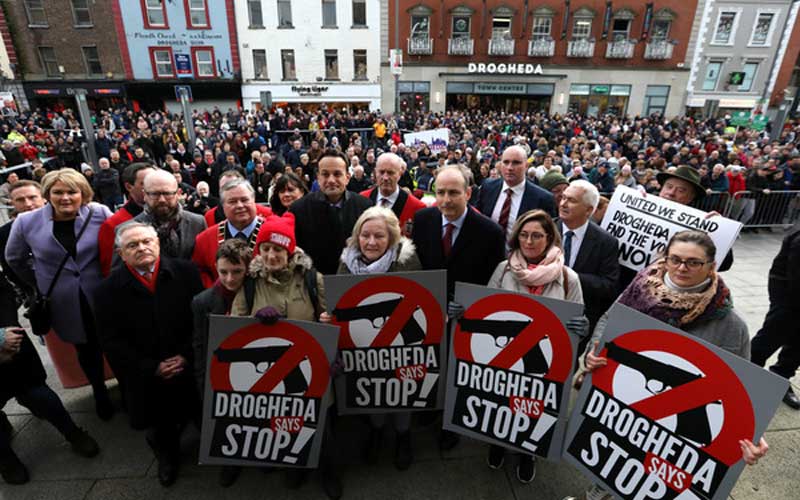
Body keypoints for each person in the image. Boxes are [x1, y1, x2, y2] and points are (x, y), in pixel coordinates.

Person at [564, 231, 768, 500]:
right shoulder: (640, 289)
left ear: (712, 266)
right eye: (675, 259)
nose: (682, 267)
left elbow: (740, 386)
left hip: (673, 432)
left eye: (693, 262)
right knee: (611, 465)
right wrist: (594, 352)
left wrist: (749, 434)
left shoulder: (730, 325)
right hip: (626, 408)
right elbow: (607, 321)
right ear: (666, 259)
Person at [230, 214, 341, 499]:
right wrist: (254, 323)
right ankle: (293, 466)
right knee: (281, 424)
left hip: (311, 368)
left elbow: (331, 321)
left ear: (289, 250)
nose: (271, 255)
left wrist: (333, 351)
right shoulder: (251, 282)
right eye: (265, 249)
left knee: (321, 427)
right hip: (270, 375)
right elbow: (234, 326)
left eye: (278, 249)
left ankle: (329, 471)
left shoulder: (312, 279)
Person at [94, 222, 203, 487]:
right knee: (159, 423)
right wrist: (151, 366)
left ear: (157, 243)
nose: (142, 248)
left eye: (146, 241)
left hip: (187, 362)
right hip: (146, 373)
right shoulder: (106, 291)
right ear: (121, 253)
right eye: (133, 245)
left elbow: (201, 322)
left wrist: (186, 355)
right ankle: (166, 456)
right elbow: (111, 341)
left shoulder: (187, 272)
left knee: (199, 410)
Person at [485, 209, 586, 484]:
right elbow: (485, 310)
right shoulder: (503, 270)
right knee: (501, 402)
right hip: (505, 357)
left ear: (550, 239)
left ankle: (527, 450)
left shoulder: (568, 278)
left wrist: (581, 327)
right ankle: (496, 439)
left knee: (533, 406)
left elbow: (577, 315)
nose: (529, 242)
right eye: (525, 235)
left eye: (537, 236)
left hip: (545, 358)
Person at [5, 169, 114, 420]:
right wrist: (39, 282)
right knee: (85, 349)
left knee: (113, 341)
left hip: (101, 295)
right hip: (64, 301)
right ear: (47, 194)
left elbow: (114, 246)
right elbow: (14, 259)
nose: (65, 197)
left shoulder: (98, 213)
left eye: (72, 192)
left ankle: (127, 388)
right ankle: (99, 391)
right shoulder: (26, 222)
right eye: (58, 192)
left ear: (83, 194)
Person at [412, 165, 505, 451]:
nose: (446, 200)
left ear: (468, 193)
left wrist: (470, 307)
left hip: (467, 318)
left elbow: (493, 280)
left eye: (453, 193)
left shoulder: (490, 231)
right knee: (430, 364)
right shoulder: (423, 219)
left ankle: (451, 422)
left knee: (457, 371)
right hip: (429, 313)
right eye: (440, 192)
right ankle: (430, 407)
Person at [336, 206, 422, 470]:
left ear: (392, 238)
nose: (371, 242)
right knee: (372, 388)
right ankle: (376, 431)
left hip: (402, 346)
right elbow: (340, 304)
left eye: (379, 236)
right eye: (365, 235)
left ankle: (403, 435)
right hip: (364, 347)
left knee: (402, 391)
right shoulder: (346, 262)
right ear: (356, 236)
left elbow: (420, 305)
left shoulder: (407, 263)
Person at [191, 238, 253, 487]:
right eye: (223, 272)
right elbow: (199, 344)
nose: (229, 278)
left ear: (248, 269)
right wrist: (203, 382)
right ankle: (232, 460)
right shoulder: (202, 301)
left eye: (237, 272)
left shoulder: (257, 292)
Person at [290, 149, 372, 275]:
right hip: (313, 283)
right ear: (317, 177)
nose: (331, 180)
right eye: (325, 174)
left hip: (354, 282)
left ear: (347, 177)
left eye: (337, 174)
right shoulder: (298, 209)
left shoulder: (365, 207)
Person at [556, 180, 620, 338]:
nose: (563, 203)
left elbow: (608, 286)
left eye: (571, 200)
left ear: (589, 210)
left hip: (579, 323)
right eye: (563, 197)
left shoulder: (606, 242)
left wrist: (570, 276)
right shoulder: (545, 229)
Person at [750, 223, 800, 409]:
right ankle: (745, 376)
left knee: (797, 343)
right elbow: (796, 276)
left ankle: (780, 378)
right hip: (788, 293)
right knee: (771, 336)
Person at [192, 178, 269, 288]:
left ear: (254, 200)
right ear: (222, 206)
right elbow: (200, 272)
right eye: (232, 201)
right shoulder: (204, 239)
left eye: (244, 200)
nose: (240, 206)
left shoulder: (273, 233)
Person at [476, 145, 556, 245]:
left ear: (526, 166)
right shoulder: (488, 187)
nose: (510, 168)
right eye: (506, 162)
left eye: (516, 163)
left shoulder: (543, 198)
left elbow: (548, 236)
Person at [97, 163, 158, 277]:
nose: (153, 188)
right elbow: (110, 271)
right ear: (129, 187)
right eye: (145, 184)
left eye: (155, 182)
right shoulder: (113, 225)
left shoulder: (168, 214)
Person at [133, 169, 207, 260]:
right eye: (155, 194)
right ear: (144, 195)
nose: (162, 200)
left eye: (167, 193)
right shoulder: (130, 229)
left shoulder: (197, 222)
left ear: (178, 193)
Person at [359, 152, 426, 237]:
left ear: (399, 174)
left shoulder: (417, 208)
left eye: (390, 173)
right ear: (375, 172)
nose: (385, 178)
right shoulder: (361, 200)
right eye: (382, 172)